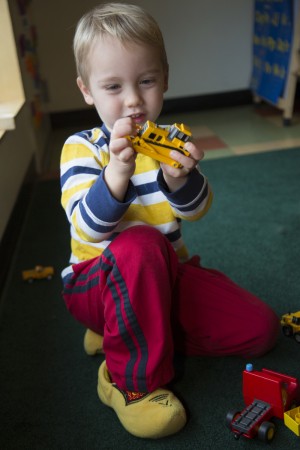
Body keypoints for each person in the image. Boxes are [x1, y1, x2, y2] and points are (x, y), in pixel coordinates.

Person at [60, 2, 279, 440]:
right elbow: (88, 228)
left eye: (146, 81)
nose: (134, 100)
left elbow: (197, 209)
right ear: (87, 91)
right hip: (93, 283)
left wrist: (180, 179)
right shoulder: (81, 148)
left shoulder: (169, 142)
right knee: (140, 242)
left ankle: (126, 331)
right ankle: (129, 384)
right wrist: (118, 172)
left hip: (165, 275)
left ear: (165, 78)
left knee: (259, 328)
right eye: (113, 86)